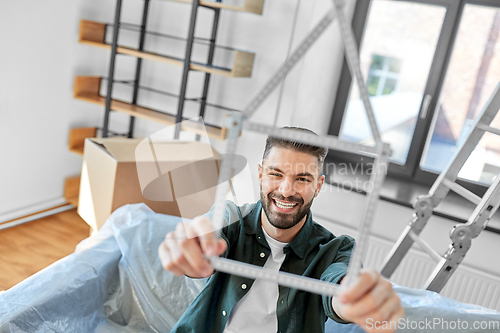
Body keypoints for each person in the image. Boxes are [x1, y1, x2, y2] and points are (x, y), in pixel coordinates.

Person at [158, 127, 404, 333]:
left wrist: (353, 297)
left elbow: (340, 283)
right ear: (260, 175)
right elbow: (208, 236)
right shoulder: (232, 217)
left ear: (318, 186)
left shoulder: (336, 248)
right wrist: (192, 247)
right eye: (276, 174)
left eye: (303, 179)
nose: (287, 190)